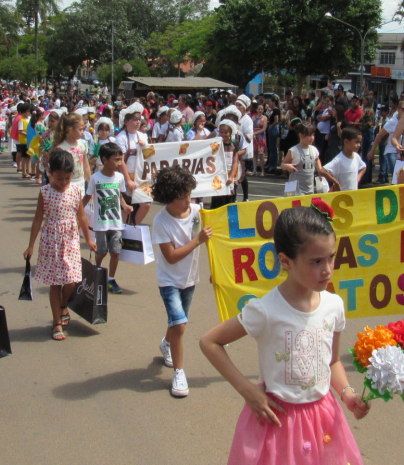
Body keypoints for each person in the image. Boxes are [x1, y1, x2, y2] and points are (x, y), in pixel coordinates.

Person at [199, 203, 369, 464]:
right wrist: (248, 390)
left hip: (324, 420)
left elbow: (332, 361)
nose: (327, 269)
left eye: (331, 257)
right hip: (278, 422)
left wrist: (347, 394)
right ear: (285, 261)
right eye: (316, 261)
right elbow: (210, 342)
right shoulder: (266, 310)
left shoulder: (334, 305)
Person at [152, 167, 213, 397]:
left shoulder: (198, 211)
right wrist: (198, 240)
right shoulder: (161, 222)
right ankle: (179, 372)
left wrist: (216, 271)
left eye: (190, 194)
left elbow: (214, 241)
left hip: (190, 279)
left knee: (177, 323)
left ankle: (167, 344)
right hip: (169, 281)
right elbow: (171, 256)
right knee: (179, 325)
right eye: (182, 197)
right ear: (168, 198)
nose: (189, 200)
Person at [24, 150, 97, 341]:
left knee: (72, 280)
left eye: (67, 177)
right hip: (51, 242)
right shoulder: (45, 192)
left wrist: (88, 239)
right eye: (59, 178)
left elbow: (81, 216)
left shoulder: (75, 191)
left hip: (71, 240)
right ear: (50, 173)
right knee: (55, 284)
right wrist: (31, 245)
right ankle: (56, 322)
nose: (63, 181)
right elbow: (38, 218)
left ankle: (64, 305)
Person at [83, 142, 133, 291]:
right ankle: (97, 272)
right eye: (116, 160)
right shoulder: (95, 178)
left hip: (116, 223)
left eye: (121, 159)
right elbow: (87, 197)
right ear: (105, 160)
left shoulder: (119, 177)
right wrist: (77, 211)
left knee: (116, 252)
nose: (120, 163)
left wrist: (125, 206)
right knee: (101, 251)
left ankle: (111, 279)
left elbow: (119, 195)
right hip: (101, 224)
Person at [281, 122, 338, 196]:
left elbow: (317, 159)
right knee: (296, 207)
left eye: (313, 135)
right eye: (309, 135)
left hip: (309, 188)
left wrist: (320, 170)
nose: (312, 138)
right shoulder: (294, 150)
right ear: (301, 135)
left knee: (308, 206)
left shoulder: (314, 150)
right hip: (295, 189)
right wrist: (287, 166)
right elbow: (283, 164)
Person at [51, 113, 92, 189]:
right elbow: (55, 172)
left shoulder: (83, 144)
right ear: (70, 129)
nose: (82, 132)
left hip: (81, 183)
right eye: (80, 129)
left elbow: (86, 165)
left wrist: (90, 185)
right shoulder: (60, 148)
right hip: (66, 184)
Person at [323, 127, 366, 192]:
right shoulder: (339, 159)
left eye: (360, 142)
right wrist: (336, 183)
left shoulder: (356, 157)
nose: (359, 145)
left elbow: (363, 167)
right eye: (356, 142)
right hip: (341, 197)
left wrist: (358, 178)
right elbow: (322, 171)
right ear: (346, 142)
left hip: (353, 195)